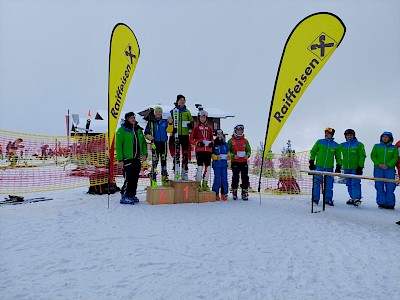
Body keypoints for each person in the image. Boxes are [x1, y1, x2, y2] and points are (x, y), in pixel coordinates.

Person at [116, 112, 148, 205]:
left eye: (133, 117)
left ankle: (131, 195)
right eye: (131, 118)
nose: (133, 119)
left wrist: (144, 153)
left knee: (135, 178)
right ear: (127, 119)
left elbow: (143, 143)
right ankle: (125, 195)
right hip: (127, 159)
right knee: (129, 178)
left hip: (136, 158)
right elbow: (118, 146)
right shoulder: (122, 130)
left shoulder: (138, 129)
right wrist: (120, 159)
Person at [309, 127, 342, 206]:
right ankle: (315, 199)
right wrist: (311, 161)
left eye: (328, 133)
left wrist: (339, 165)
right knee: (317, 183)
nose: (326, 134)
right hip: (319, 166)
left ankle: (328, 200)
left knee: (329, 184)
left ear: (332, 134)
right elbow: (313, 151)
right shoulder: (320, 142)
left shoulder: (336, 145)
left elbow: (338, 157)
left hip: (329, 168)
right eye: (325, 133)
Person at [144, 106, 173, 188]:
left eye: (160, 112)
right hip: (155, 143)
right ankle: (153, 179)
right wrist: (148, 136)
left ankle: (164, 178)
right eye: (157, 112)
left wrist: (170, 123)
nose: (158, 113)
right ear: (154, 113)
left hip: (163, 143)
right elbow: (146, 132)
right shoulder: (151, 121)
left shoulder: (165, 121)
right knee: (155, 162)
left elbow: (169, 130)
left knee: (164, 161)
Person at [338, 129, 367, 206]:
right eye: (348, 135)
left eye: (351, 135)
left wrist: (360, 167)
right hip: (347, 168)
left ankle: (357, 198)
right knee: (349, 183)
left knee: (355, 183)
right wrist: (339, 164)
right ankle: (352, 198)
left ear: (354, 135)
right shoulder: (342, 145)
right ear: (345, 136)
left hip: (355, 168)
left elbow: (362, 156)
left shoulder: (359, 144)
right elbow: (337, 153)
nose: (349, 136)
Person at [370, 131, 398, 209]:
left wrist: (388, 165)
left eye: (387, 137)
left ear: (390, 138)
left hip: (389, 169)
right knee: (379, 186)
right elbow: (373, 156)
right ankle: (381, 203)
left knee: (390, 186)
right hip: (378, 169)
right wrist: (378, 164)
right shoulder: (376, 146)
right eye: (383, 136)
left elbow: (395, 158)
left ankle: (390, 204)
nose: (385, 138)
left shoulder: (394, 148)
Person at [169, 94, 194, 180]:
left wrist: (191, 125)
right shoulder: (173, 111)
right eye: (180, 100)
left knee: (185, 154)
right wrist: (172, 130)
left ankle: (184, 172)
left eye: (183, 100)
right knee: (176, 154)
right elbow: (169, 122)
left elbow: (191, 122)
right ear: (177, 101)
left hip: (185, 135)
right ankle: (176, 172)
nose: (182, 101)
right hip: (176, 135)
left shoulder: (187, 111)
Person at [190, 110, 214, 191]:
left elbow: (211, 138)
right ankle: (198, 183)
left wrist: (211, 143)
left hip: (208, 150)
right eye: (201, 117)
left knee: (208, 167)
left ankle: (205, 183)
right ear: (199, 118)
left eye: (204, 117)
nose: (203, 118)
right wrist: (197, 143)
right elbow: (191, 139)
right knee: (200, 167)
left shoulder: (209, 128)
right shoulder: (196, 127)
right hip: (200, 150)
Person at [228, 124, 251, 200]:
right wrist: (233, 155)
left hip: (243, 162)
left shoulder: (245, 140)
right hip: (235, 162)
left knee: (245, 177)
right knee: (235, 177)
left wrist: (247, 155)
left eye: (241, 130)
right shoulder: (231, 140)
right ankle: (234, 191)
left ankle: (244, 192)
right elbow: (228, 151)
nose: (239, 132)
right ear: (235, 131)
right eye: (238, 130)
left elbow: (248, 150)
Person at [211, 129, 230, 201]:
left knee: (224, 179)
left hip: (224, 164)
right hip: (217, 164)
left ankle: (224, 193)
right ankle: (215, 193)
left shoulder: (225, 144)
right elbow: (211, 154)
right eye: (218, 134)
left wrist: (228, 156)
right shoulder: (214, 143)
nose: (219, 135)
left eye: (220, 134)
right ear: (216, 135)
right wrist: (216, 157)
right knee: (217, 179)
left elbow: (228, 152)